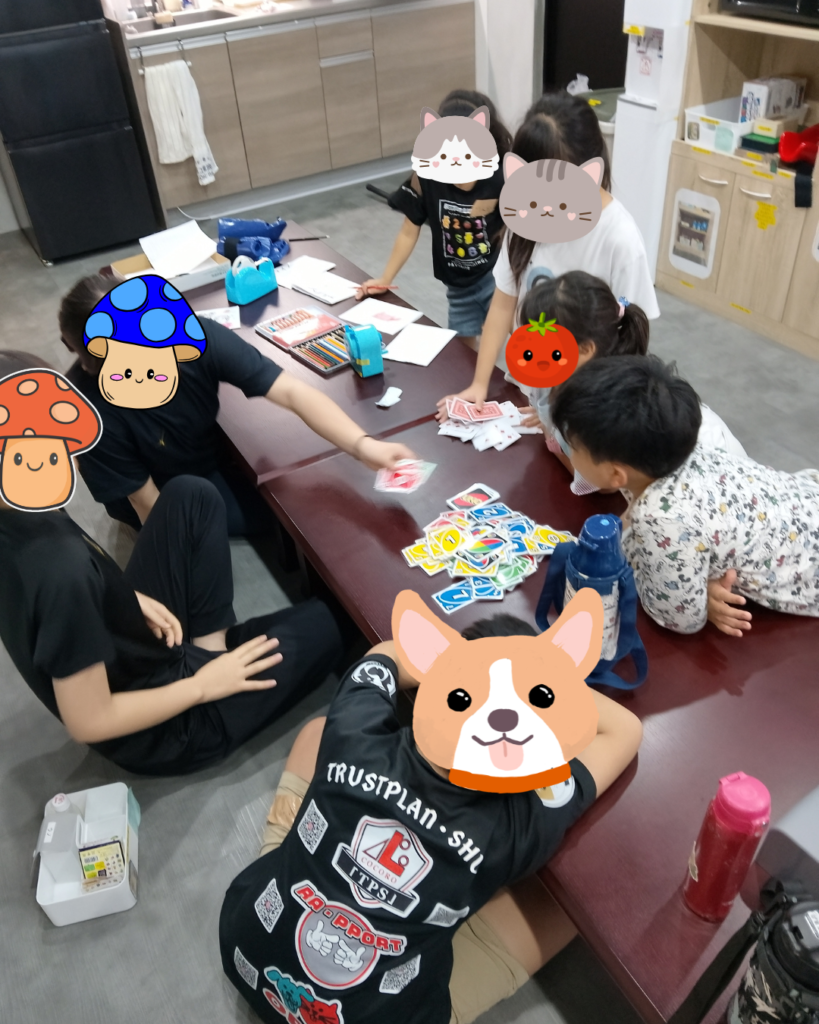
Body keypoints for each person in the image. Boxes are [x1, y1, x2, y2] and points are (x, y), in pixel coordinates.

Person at [219, 608, 642, 1024]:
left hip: (246, 947)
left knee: (317, 734)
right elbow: (625, 729)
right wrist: (540, 682)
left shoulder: (354, 730)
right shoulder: (515, 825)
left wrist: (460, 670)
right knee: (567, 908)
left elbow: (386, 653)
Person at [0, 442, 343, 774]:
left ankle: (211, 649)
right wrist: (203, 685)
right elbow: (90, 722)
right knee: (335, 619)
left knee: (191, 495)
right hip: (165, 726)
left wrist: (124, 596)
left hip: (140, 646)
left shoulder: (25, 506)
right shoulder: (61, 573)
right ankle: (211, 678)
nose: (77, 458)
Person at [59, 275, 418, 535]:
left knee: (304, 501)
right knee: (289, 518)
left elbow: (291, 391)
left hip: (202, 454)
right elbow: (146, 503)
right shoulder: (85, 413)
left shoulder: (197, 337)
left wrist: (363, 445)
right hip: (162, 489)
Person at [549, 355, 819, 637]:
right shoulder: (668, 453)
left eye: (573, 447)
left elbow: (681, 619)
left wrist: (698, 595)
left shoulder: (662, 519)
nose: (569, 452)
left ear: (616, 474)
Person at [437, 91, 660, 418]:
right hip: (528, 387)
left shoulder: (619, 239)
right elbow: (503, 303)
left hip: (584, 403)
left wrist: (563, 413)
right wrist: (480, 384)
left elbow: (630, 336)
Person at [517, 272, 747, 494]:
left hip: (714, 489)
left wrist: (551, 437)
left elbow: (603, 484)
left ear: (585, 349)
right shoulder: (591, 374)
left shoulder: (605, 403)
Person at [357, 90, 512, 345]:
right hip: (458, 287)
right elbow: (409, 230)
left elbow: (521, 231)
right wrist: (386, 278)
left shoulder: (500, 175)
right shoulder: (427, 175)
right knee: (463, 355)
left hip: (496, 279)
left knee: (516, 340)